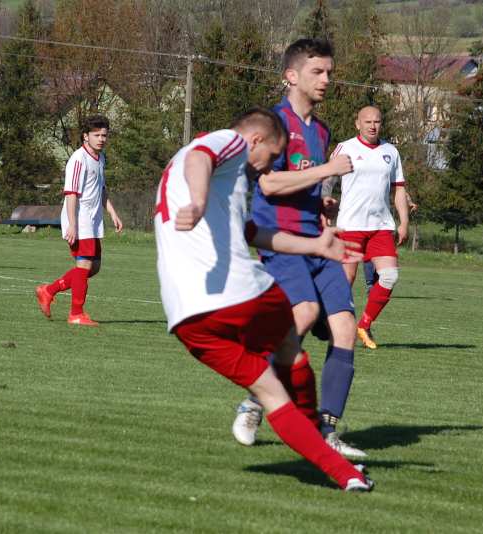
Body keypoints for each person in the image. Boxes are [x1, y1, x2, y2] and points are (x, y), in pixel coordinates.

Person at [154, 108, 373, 491]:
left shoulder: (220, 182)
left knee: (271, 392)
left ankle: (348, 477)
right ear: (255, 141)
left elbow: (253, 232)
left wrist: (315, 245)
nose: (266, 167)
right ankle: (320, 432)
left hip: (187, 318)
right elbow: (200, 157)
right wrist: (200, 200)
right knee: (293, 343)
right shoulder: (230, 143)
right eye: (270, 156)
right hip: (241, 293)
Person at [231, 38, 366, 458]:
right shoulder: (274, 123)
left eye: (329, 71)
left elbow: (303, 182)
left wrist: (322, 204)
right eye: (317, 72)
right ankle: (255, 400)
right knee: (304, 313)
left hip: (318, 241)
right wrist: (327, 170)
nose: (327, 79)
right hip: (282, 241)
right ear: (291, 76)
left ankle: (327, 429)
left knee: (346, 327)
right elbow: (268, 184)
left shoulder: (321, 130)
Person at [323, 106, 409, 349]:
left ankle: (364, 324)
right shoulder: (346, 147)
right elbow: (327, 178)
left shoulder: (391, 152)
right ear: (357, 124)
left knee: (390, 276)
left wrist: (404, 221)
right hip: (350, 225)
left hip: (381, 226)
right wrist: (324, 204)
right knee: (345, 280)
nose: (373, 125)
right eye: (368, 121)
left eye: (377, 121)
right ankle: (336, 330)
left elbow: (399, 188)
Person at [35, 115, 123, 326]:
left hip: (93, 221)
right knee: (83, 265)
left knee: (94, 267)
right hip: (80, 220)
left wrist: (112, 212)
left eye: (104, 135)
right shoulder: (78, 159)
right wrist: (73, 224)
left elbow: (101, 189)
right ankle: (76, 314)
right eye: (96, 135)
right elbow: (71, 194)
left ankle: (48, 290)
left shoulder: (101, 158)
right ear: (85, 136)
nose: (101, 139)